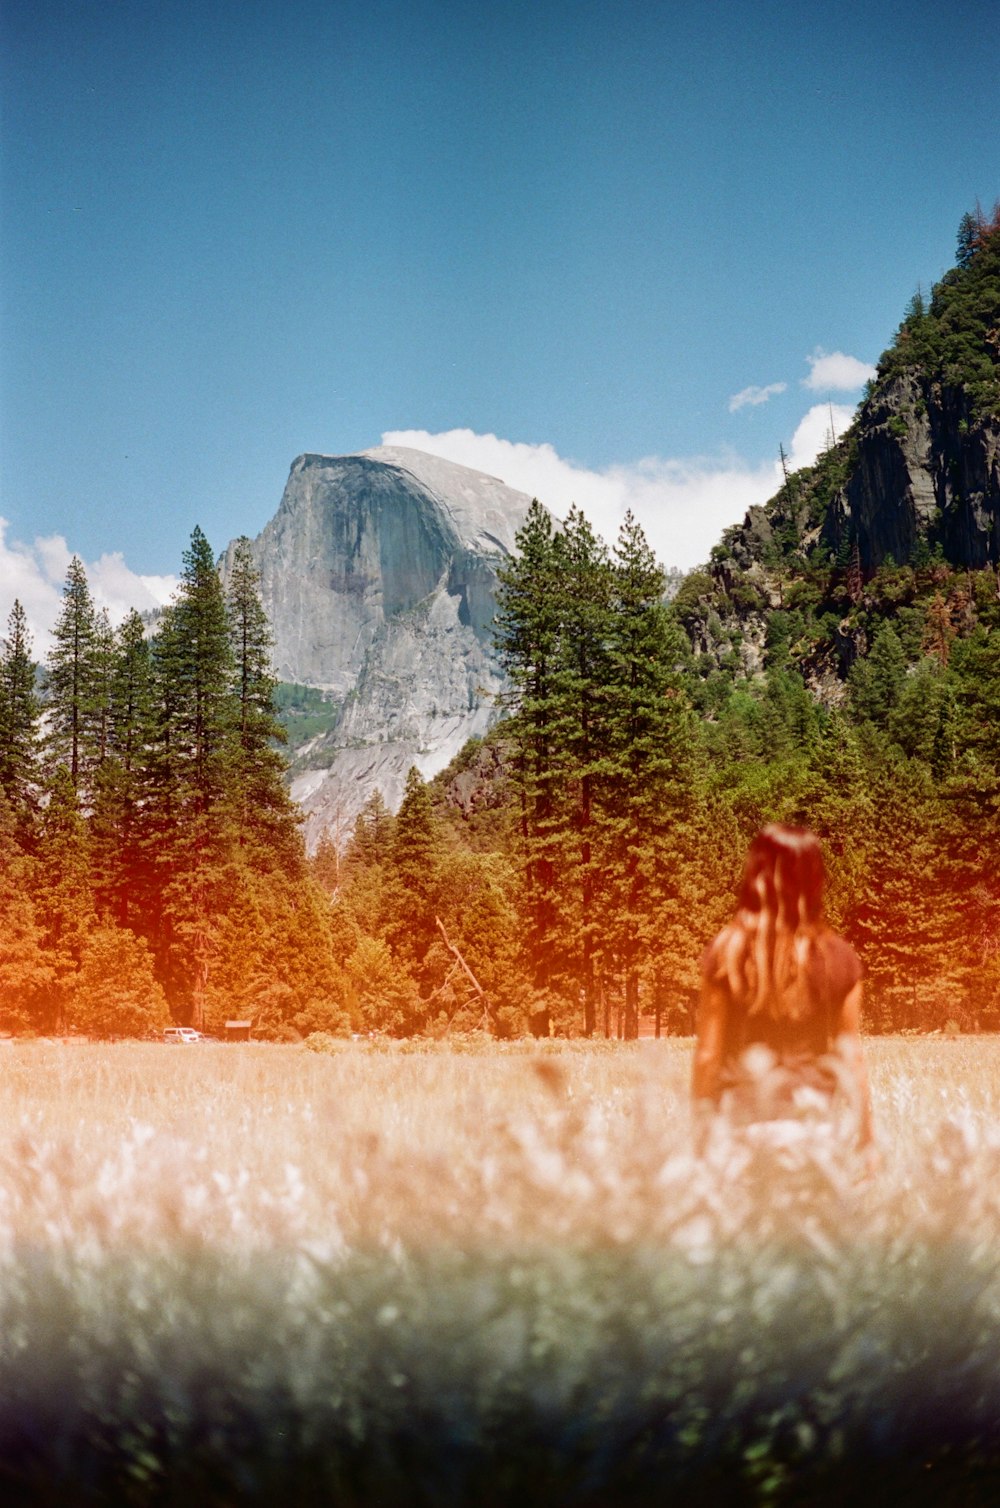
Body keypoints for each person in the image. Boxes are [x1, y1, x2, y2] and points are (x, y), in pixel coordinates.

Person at [692, 823, 874, 1156]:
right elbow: (852, 1058)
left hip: (739, 1127)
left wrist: (699, 1140)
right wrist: (866, 1140)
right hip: (813, 1127)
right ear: (814, 877)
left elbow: (708, 1056)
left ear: (755, 872)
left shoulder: (728, 952)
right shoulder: (838, 958)